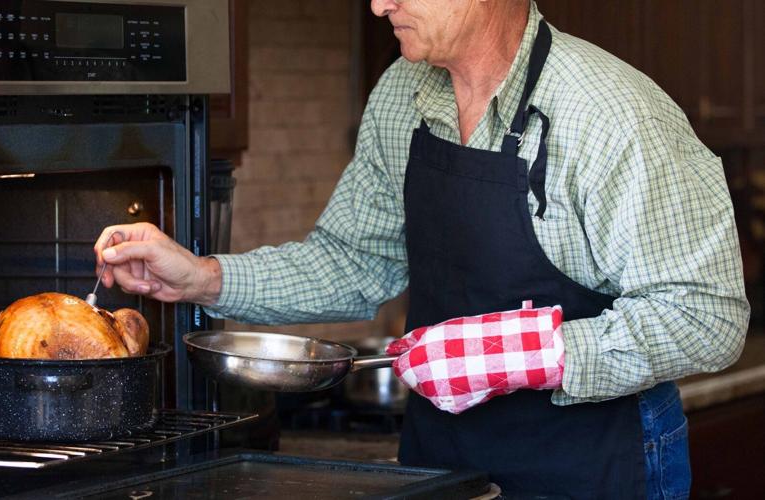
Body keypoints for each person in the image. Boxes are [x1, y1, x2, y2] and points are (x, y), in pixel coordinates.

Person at [93, 0, 749, 497]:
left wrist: (524, 353)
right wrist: (199, 279)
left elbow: (707, 317)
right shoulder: (401, 97)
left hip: (595, 464)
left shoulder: (612, 114)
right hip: (440, 464)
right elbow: (353, 261)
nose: (379, 5)